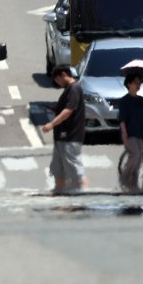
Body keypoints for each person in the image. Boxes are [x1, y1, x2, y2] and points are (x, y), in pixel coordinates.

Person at [41, 65, 86, 194]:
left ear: (63, 75)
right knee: (57, 168)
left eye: (57, 79)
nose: (57, 83)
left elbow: (68, 110)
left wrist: (52, 124)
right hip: (62, 137)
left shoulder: (74, 89)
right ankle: (59, 191)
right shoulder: (69, 89)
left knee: (72, 166)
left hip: (70, 136)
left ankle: (77, 193)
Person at [118, 73, 143, 192]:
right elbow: (122, 119)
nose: (138, 85)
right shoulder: (124, 101)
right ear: (128, 84)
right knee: (135, 155)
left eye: (139, 82)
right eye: (135, 82)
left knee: (139, 159)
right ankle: (124, 178)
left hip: (140, 133)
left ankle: (134, 185)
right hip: (129, 134)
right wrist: (124, 133)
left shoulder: (141, 100)